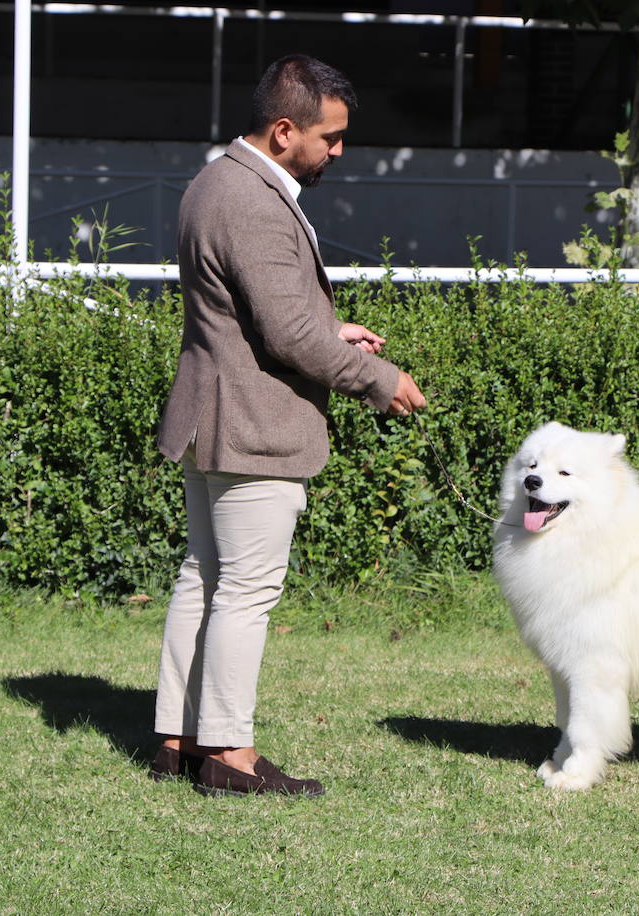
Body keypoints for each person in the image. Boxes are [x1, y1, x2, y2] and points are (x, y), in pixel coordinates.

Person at [150, 55, 427, 798]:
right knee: (244, 591)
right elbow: (287, 338)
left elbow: (264, 313)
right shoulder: (253, 200)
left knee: (204, 580)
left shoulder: (218, 180)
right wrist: (379, 380)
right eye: (329, 137)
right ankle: (229, 756)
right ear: (283, 131)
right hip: (253, 423)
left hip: (214, 414)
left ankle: (176, 738)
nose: (338, 151)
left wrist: (334, 329)